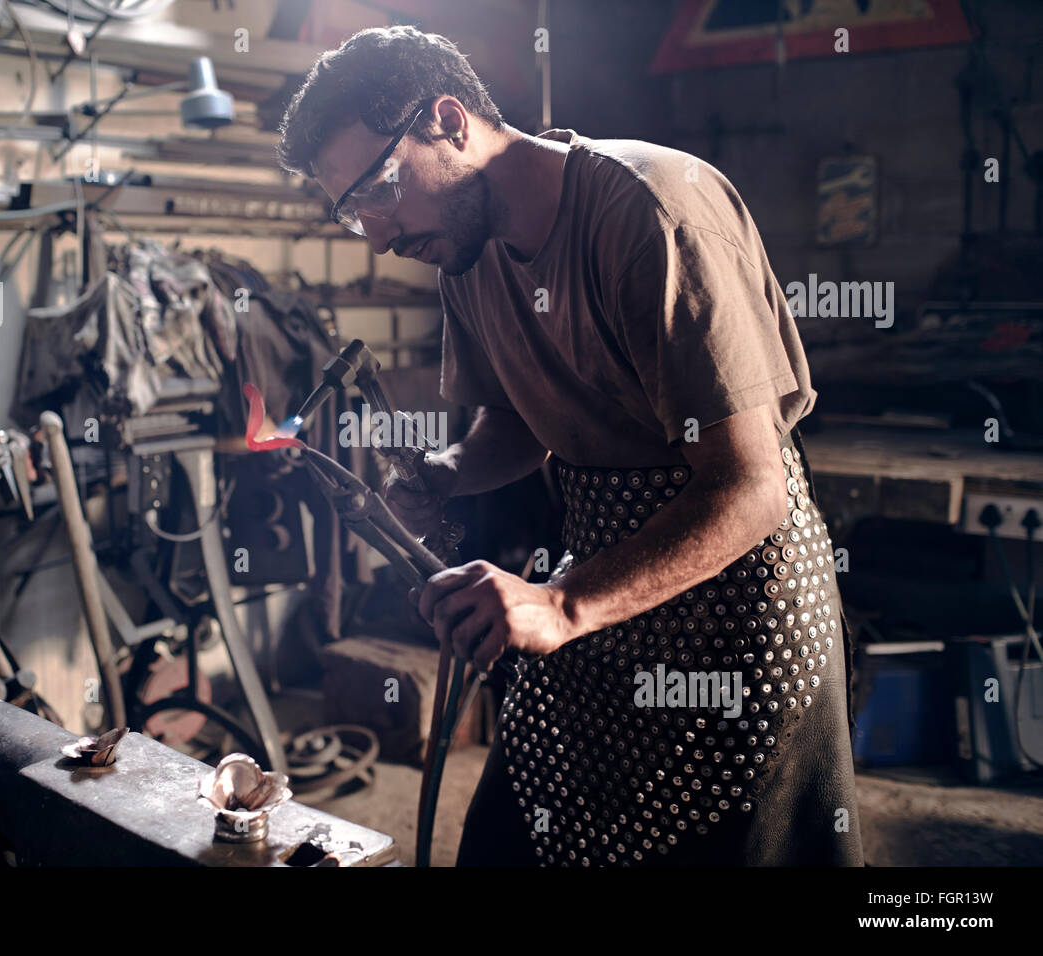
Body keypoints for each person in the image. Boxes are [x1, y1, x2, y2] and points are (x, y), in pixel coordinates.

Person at [278, 25, 863, 867]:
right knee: (516, 838)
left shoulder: (651, 210)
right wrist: (444, 477)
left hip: (735, 601)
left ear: (449, 119)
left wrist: (560, 604)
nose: (376, 235)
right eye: (351, 211)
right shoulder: (464, 254)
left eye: (380, 186)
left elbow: (749, 488)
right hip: (593, 580)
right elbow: (519, 421)